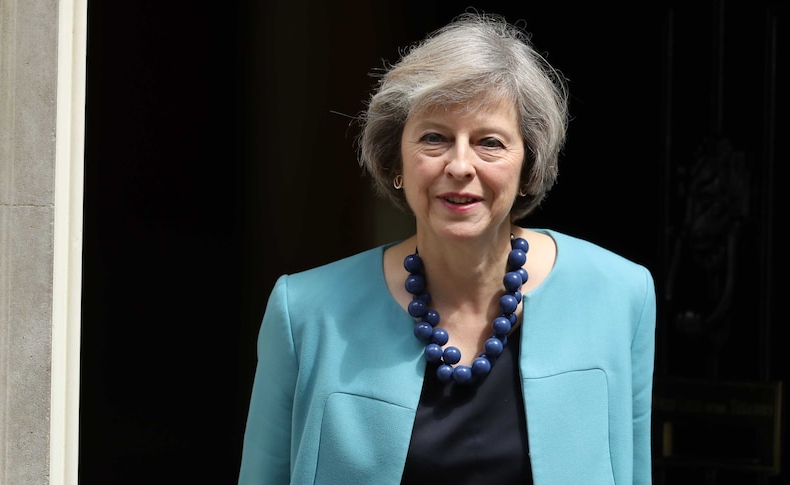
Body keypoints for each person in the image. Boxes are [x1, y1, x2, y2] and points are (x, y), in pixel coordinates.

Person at [239, 11, 656, 485]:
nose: (460, 165)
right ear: (396, 161)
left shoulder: (620, 295)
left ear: (529, 166)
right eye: (434, 138)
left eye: (490, 142)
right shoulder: (305, 313)